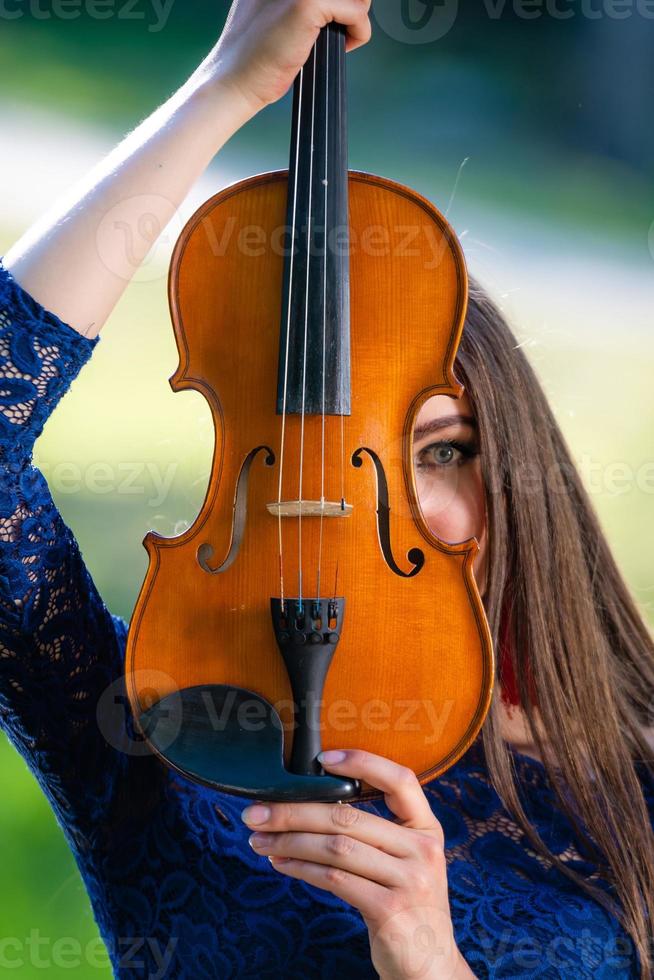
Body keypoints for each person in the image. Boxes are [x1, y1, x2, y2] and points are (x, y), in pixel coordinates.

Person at [1, 1, 653, 977]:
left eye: (439, 452)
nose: (344, 512)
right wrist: (225, 89)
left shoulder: (630, 770)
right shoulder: (157, 730)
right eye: (295, 460)